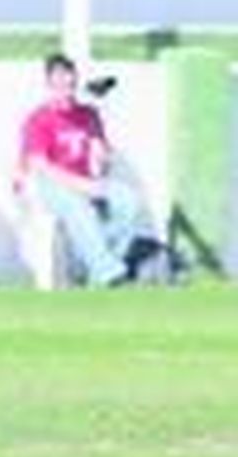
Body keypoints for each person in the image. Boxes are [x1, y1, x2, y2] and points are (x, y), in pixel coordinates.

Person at [17, 54, 155, 288]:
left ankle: (94, 262)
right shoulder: (38, 119)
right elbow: (41, 166)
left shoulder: (88, 115)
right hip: (49, 185)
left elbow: (102, 155)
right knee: (77, 207)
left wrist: (101, 158)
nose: (65, 90)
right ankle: (108, 273)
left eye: (70, 83)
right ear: (49, 85)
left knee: (128, 201)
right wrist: (83, 186)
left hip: (85, 180)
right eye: (59, 84)